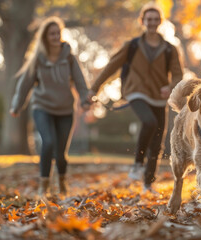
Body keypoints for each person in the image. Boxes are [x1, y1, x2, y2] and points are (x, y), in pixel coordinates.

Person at [88, 3, 183, 192]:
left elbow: (178, 74)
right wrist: (94, 88)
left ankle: (148, 184)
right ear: (142, 21)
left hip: (159, 96)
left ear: (160, 22)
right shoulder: (132, 46)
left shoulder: (169, 49)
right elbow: (111, 66)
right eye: (149, 19)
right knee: (148, 122)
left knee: (157, 142)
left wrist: (170, 87)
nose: (152, 23)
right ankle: (137, 164)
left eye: (156, 20)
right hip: (136, 92)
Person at [10, 16, 89, 196]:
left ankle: (61, 181)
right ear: (45, 37)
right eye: (51, 34)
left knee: (61, 153)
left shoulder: (69, 57)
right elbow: (25, 84)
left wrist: (85, 99)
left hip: (65, 109)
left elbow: (80, 82)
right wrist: (16, 106)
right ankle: (43, 185)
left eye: (58, 33)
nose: (55, 36)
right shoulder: (38, 58)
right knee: (48, 142)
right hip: (42, 107)